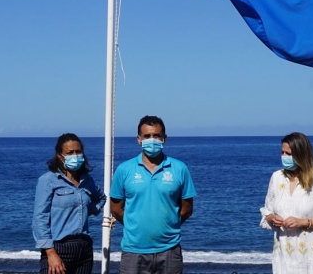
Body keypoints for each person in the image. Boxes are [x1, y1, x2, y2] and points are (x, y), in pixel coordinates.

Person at [110, 115, 197, 274]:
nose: (152, 140)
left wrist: (167, 224)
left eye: (156, 136)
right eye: (147, 136)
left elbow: (187, 209)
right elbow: (116, 209)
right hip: (133, 250)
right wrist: (135, 224)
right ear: (139, 139)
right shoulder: (124, 170)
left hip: (170, 250)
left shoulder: (179, 168)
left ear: (164, 138)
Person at [260, 132, 313, 274]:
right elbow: (267, 213)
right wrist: (273, 219)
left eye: (288, 154)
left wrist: (304, 222)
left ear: (301, 155)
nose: (284, 157)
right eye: (282, 152)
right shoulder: (276, 178)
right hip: (284, 257)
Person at [33, 133, 106, 274]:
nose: (75, 155)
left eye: (78, 151)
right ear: (60, 156)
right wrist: (50, 253)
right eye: (70, 152)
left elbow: (101, 198)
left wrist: (86, 210)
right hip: (59, 248)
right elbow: (39, 218)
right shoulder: (48, 180)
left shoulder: (87, 181)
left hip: (84, 249)